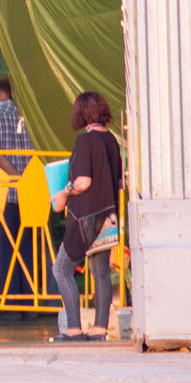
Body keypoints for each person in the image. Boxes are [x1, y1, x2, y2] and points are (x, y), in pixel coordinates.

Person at [51, 90, 123, 342]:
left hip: (86, 217)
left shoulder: (85, 141)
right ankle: (99, 329)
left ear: (81, 113)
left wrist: (63, 193)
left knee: (61, 269)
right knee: (100, 272)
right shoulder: (112, 141)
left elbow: (83, 181)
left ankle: (73, 328)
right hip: (109, 215)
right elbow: (120, 181)